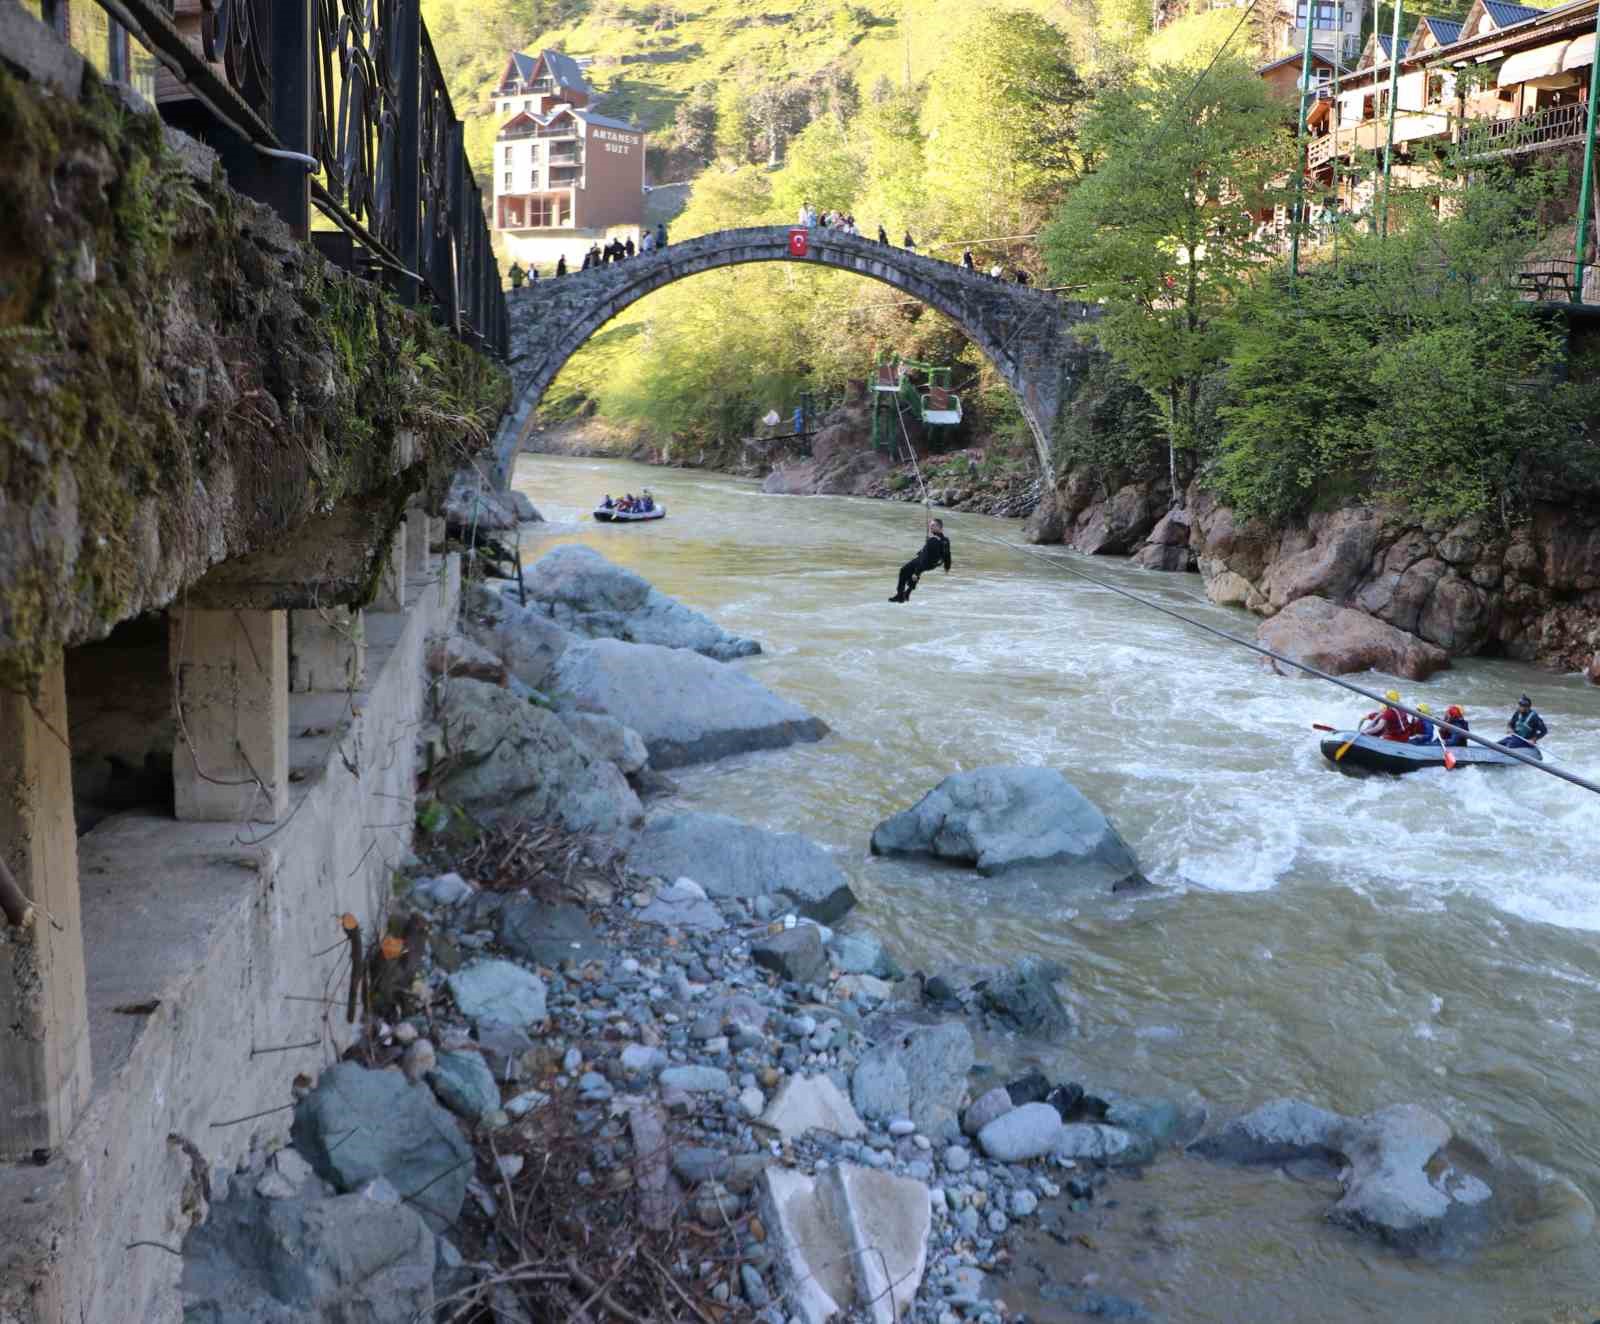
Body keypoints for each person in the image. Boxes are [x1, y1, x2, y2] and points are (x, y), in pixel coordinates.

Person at [889, 518, 952, 604]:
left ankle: (900, 596)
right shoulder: (945, 540)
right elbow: (947, 554)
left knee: (904, 570)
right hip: (933, 564)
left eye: (933, 525)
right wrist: (947, 567)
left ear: (940, 528)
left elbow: (924, 557)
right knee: (913, 573)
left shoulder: (932, 540)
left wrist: (917, 572)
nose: (930, 527)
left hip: (924, 562)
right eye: (930, 525)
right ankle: (907, 593)